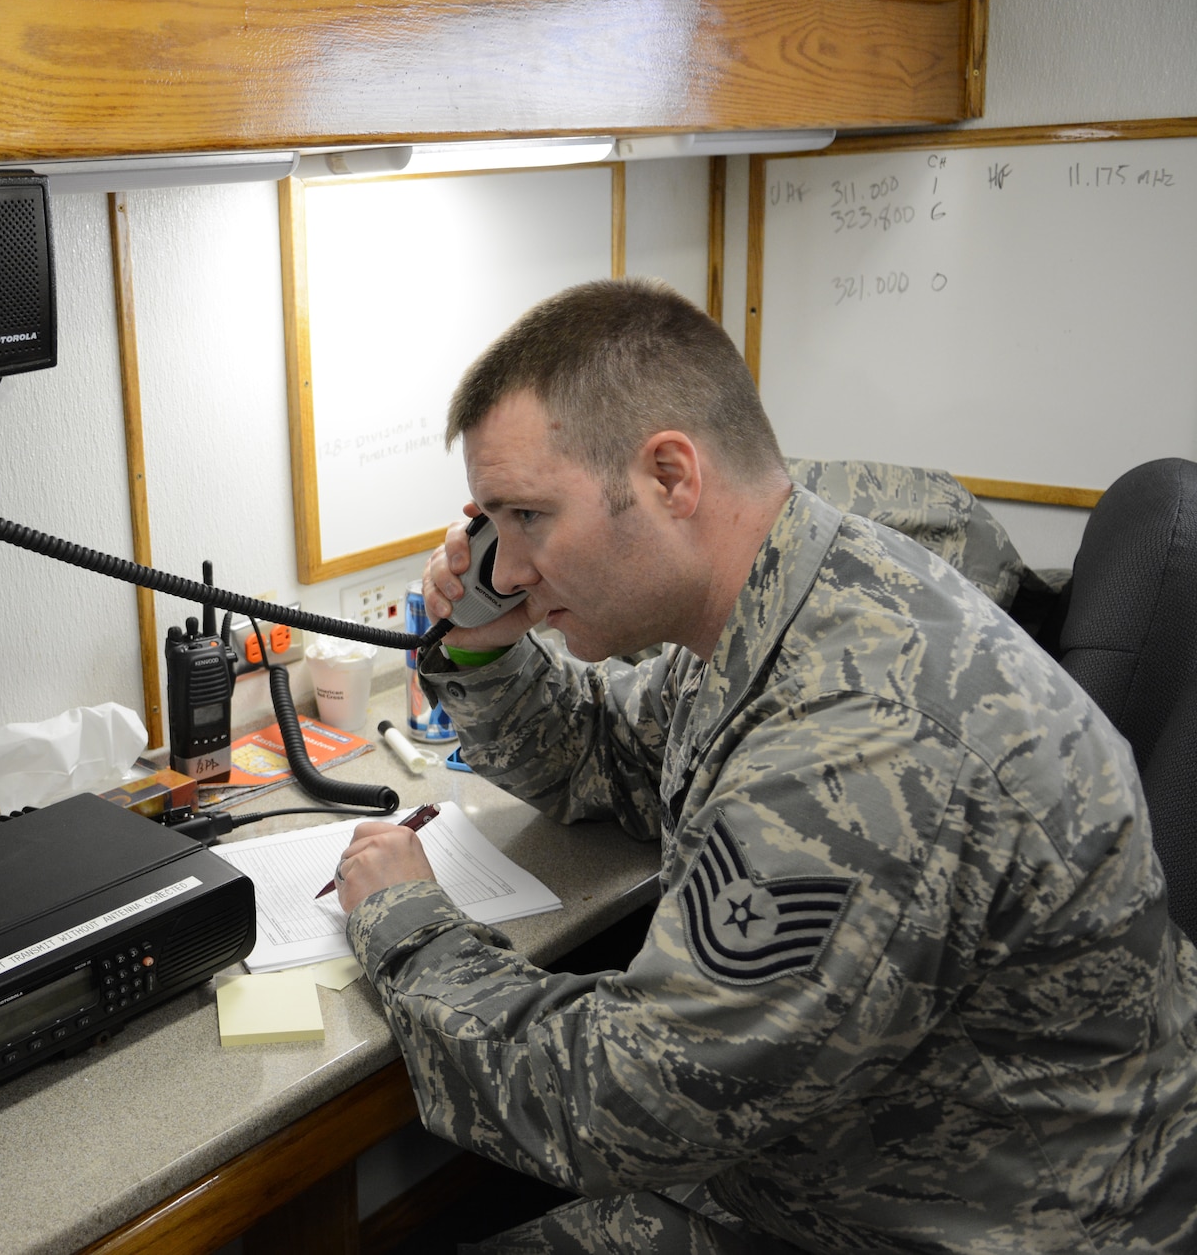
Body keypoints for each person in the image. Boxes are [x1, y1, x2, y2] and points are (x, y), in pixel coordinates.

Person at [331, 278, 1197, 1254]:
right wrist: (483, 646)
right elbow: (601, 761)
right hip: (828, 1159)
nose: (511, 564)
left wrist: (404, 924)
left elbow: (623, 1104)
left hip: (951, 1221)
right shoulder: (779, 595)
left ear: (668, 477)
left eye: (530, 516)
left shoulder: (856, 739)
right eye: (496, 524)